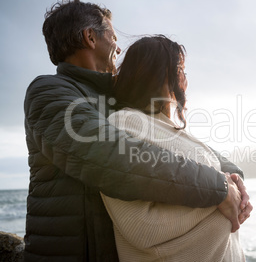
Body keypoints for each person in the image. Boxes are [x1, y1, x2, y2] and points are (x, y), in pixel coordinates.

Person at [23, 0, 252, 261]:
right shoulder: (49, 92)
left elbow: (181, 142)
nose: (118, 49)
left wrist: (233, 176)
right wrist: (218, 187)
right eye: (112, 35)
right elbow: (113, 157)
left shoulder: (119, 100)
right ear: (90, 37)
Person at [101, 35, 246, 261]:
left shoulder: (169, 128)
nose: (185, 79)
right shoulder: (124, 124)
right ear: (157, 74)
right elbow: (140, 225)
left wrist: (236, 185)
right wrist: (222, 198)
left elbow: (203, 176)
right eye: (179, 69)